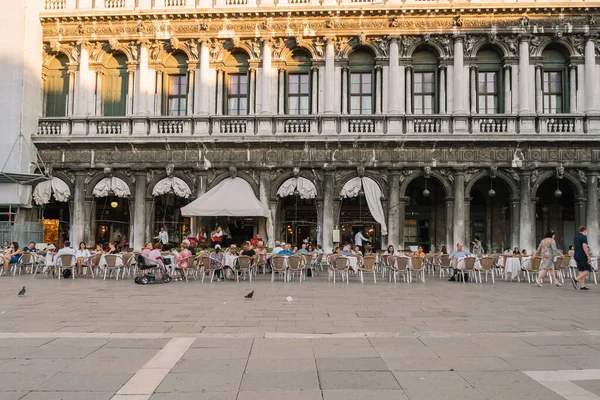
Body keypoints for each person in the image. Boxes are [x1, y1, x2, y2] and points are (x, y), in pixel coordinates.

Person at [572, 226, 592, 291]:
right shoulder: (583, 237)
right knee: (588, 270)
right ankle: (575, 279)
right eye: (587, 231)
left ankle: (582, 286)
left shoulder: (576, 237)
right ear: (584, 230)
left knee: (581, 270)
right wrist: (588, 256)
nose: (587, 233)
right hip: (582, 255)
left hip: (576, 255)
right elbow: (584, 246)